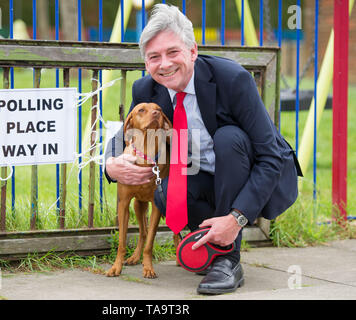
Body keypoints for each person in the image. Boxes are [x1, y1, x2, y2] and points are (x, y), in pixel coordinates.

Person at [104, 4, 301, 295]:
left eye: (173, 52)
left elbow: (270, 155)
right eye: (154, 57)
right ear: (146, 62)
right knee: (163, 192)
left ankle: (227, 258)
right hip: (203, 178)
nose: (164, 64)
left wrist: (236, 218)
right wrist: (109, 164)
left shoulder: (233, 79)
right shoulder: (147, 89)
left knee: (228, 138)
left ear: (192, 51)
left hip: (248, 174)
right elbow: (122, 137)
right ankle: (210, 240)